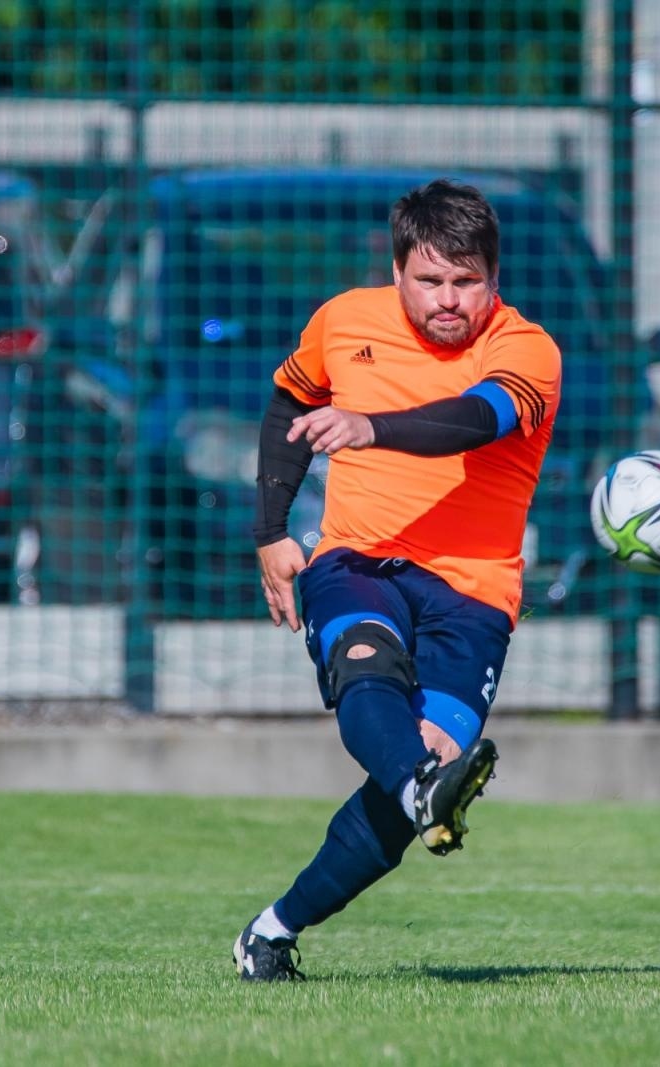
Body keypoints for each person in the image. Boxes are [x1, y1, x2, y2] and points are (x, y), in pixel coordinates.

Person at [233, 178, 561, 981]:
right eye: (430, 280)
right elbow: (288, 406)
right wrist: (272, 533)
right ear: (396, 270)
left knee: (427, 768)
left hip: (476, 594)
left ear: (495, 277)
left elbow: (476, 417)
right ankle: (421, 787)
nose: (450, 299)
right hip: (359, 560)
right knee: (368, 672)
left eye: (467, 281)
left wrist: (370, 427)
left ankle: (271, 931)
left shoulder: (527, 350)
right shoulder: (343, 321)